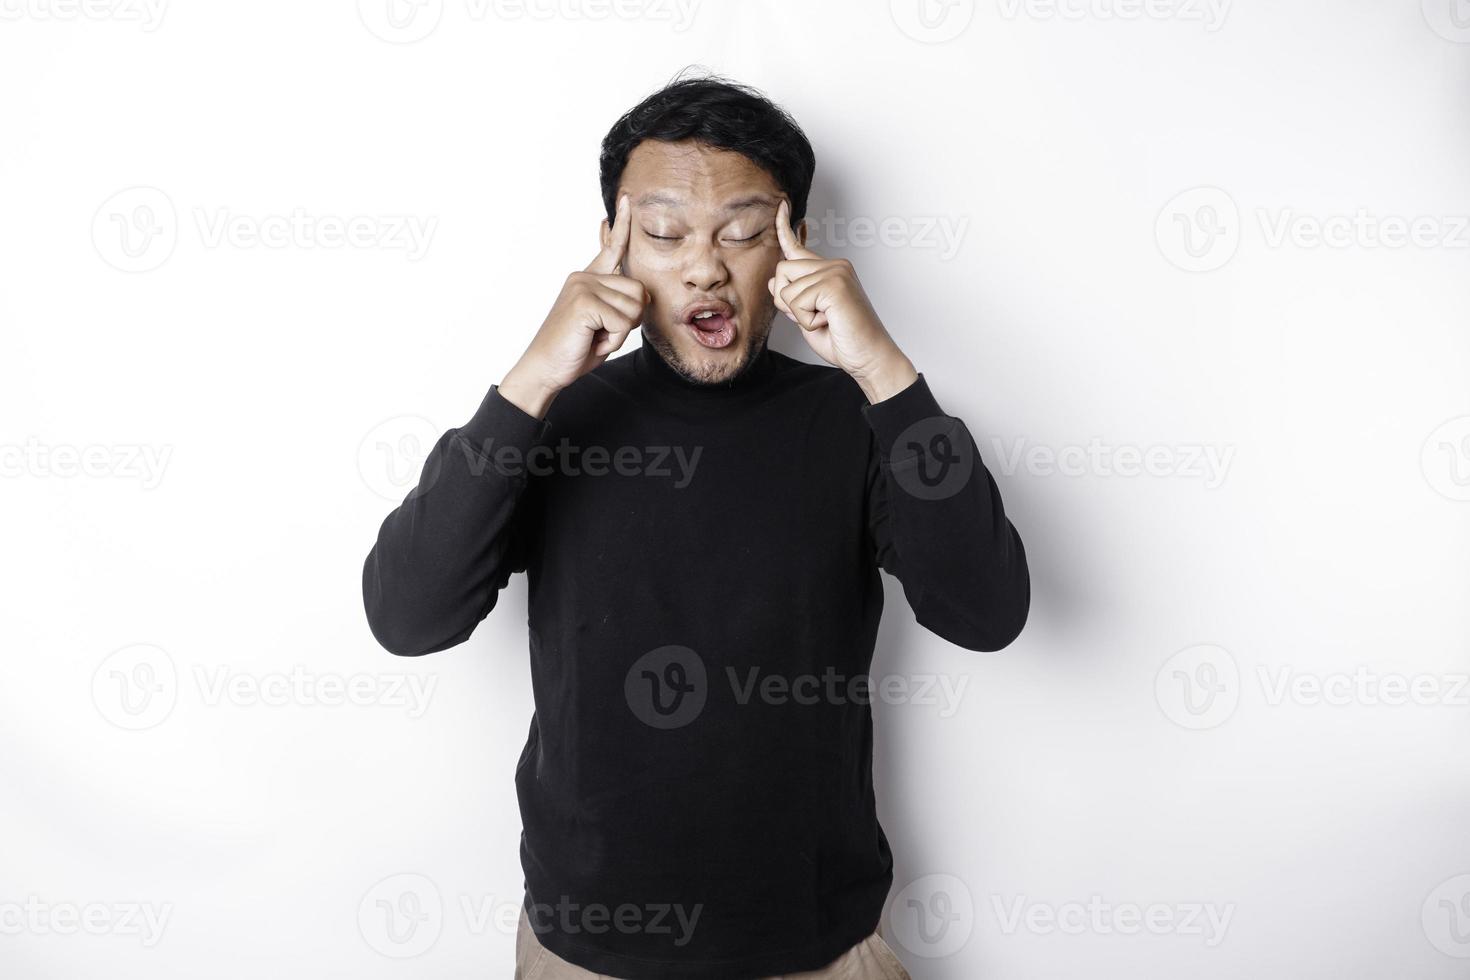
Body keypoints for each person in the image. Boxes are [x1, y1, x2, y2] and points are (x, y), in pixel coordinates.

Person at [362, 72, 1030, 980]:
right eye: (665, 234)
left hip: (821, 946)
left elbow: (985, 614)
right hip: (587, 950)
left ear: (795, 245)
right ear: (613, 248)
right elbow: (409, 616)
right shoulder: (550, 418)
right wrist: (528, 381)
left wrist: (884, 369)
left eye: (746, 232)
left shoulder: (856, 417)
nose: (706, 266)